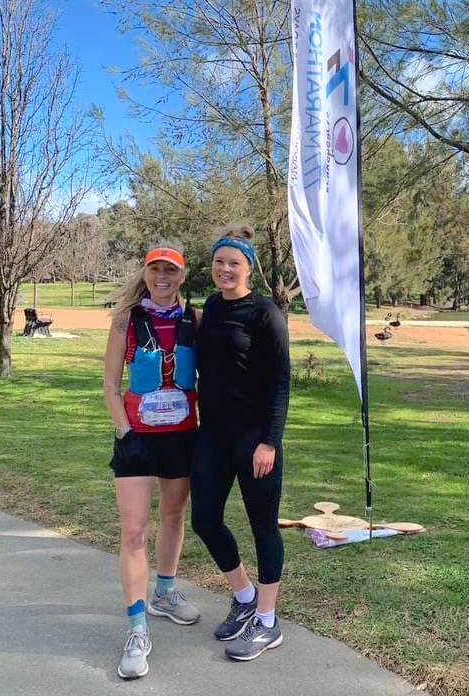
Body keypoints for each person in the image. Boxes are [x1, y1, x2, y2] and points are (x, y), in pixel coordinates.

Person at [191, 223, 290, 662]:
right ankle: (245, 595)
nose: (225, 269)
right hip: (211, 433)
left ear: (248, 267)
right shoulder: (210, 307)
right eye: (219, 261)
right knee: (205, 520)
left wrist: (269, 441)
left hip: (254, 438)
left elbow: (281, 383)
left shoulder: (266, 313)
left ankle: (267, 623)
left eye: (234, 263)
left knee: (262, 524)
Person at [104, 244, 200, 680]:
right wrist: (125, 432)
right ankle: (137, 628)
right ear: (145, 274)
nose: (162, 276)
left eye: (170, 271)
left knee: (174, 516)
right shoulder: (126, 320)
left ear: (182, 276)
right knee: (134, 529)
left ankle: (165, 592)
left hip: (180, 436)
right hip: (138, 438)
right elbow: (109, 386)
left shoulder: (194, 320)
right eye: (155, 269)